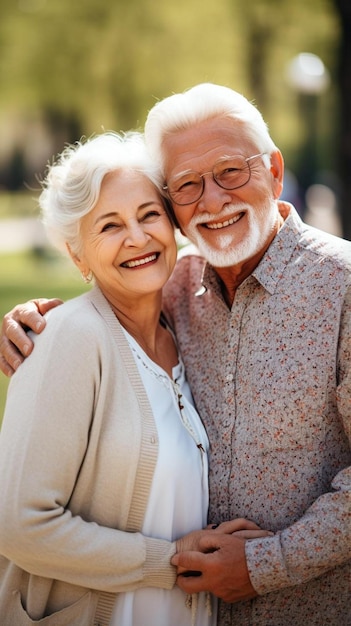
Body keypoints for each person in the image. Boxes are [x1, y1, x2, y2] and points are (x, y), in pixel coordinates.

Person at [1, 83, 350, 626]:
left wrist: (265, 564)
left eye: (231, 171)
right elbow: (108, 295)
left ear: (275, 171)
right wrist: (34, 324)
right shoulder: (177, 289)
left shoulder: (342, 287)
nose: (213, 201)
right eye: (188, 185)